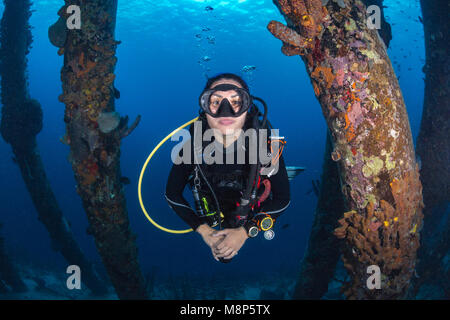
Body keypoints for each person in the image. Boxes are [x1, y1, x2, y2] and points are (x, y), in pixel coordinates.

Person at [165, 73, 290, 263]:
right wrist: (205, 231)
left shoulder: (265, 145)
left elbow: (283, 198)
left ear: (248, 107)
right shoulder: (191, 146)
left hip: (250, 212)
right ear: (204, 108)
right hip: (212, 215)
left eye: (236, 101)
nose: (225, 112)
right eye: (215, 102)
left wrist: (246, 232)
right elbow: (172, 194)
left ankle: (271, 174)